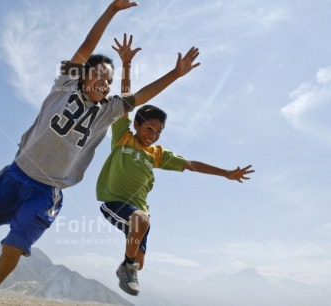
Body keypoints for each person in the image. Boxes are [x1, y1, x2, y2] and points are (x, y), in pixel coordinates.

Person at [0, 1, 200, 305]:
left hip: (47, 191)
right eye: (99, 75)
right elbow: (87, 46)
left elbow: (141, 96)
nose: (104, 82)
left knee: (17, 243)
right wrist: (111, 10)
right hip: (17, 174)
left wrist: (175, 74)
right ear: (83, 74)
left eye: (109, 80)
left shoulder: (108, 112)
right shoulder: (64, 85)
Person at [96, 40, 254, 296]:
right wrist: (126, 64)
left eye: (159, 132)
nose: (153, 135)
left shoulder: (158, 154)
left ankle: (128, 266)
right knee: (140, 222)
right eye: (149, 129)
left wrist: (226, 173)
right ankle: (127, 266)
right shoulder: (122, 136)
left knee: (141, 258)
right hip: (114, 202)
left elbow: (191, 164)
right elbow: (126, 99)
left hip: (139, 213)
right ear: (137, 125)